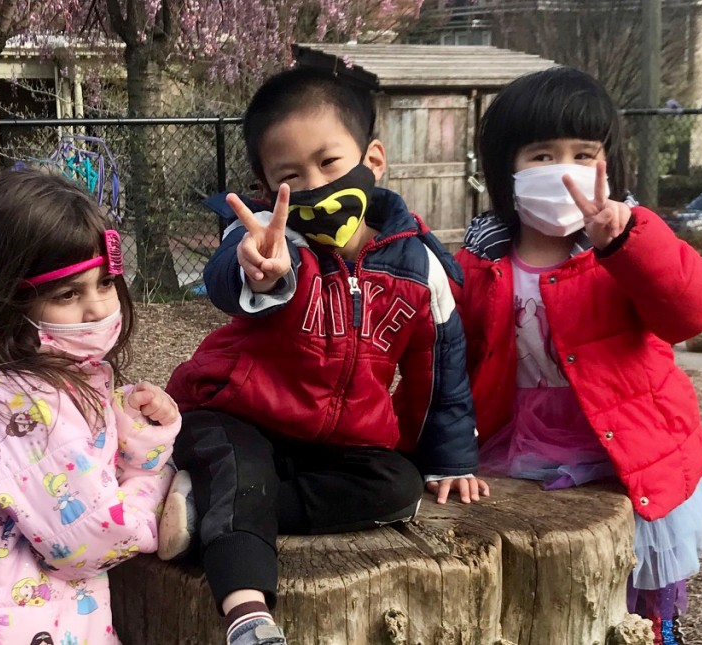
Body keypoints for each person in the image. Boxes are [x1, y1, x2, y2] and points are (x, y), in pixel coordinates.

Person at [160, 66, 489, 645]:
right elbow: (228, 274)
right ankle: (247, 615)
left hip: (332, 446)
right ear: (267, 190)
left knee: (398, 486)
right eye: (291, 175)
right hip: (235, 414)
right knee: (239, 457)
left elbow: (439, 371)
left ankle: (210, 508)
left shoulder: (420, 265)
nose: (314, 184)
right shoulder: (271, 237)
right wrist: (258, 271)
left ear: (374, 159)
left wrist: (449, 456)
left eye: (329, 162)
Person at [453, 67, 702, 645]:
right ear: (506, 168)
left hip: (626, 444)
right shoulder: (481, 256)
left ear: (610, 162)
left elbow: (690, 311)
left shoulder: (632, 237)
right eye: (542, 156)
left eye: (584, 153)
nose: (565, 171)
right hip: (515, 443)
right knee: (531, 593)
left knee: (636, 599)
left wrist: (625, 244)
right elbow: (451, 357)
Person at [0, 169, 180, 645]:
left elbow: (84, 468)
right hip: (7, 623)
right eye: (68, 294)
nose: (97, 309)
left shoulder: (47, 378)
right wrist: (158, 482)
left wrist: (141, 436)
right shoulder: (27, 407)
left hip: (30, 612)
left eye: (106, 284)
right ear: (10, 301)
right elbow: (88, 541)